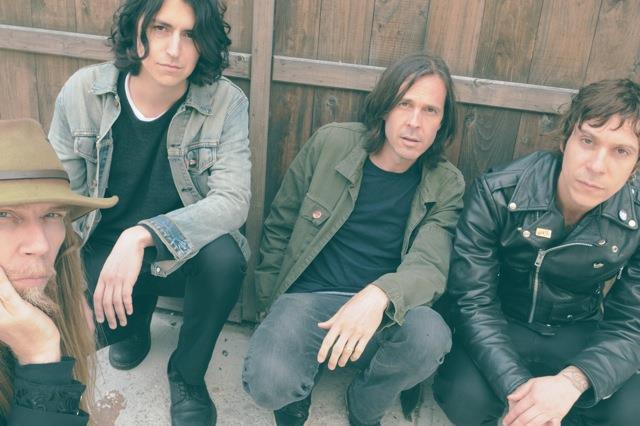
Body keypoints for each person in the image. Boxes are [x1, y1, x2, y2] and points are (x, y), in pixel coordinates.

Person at [48, 0, 250, 424]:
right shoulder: (84, 93)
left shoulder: (225, 102)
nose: (174, 49)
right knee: (68, 342)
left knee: (226, 259)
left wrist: (142, 235)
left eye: (190, 35)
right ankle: (134, 325)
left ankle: (187, 373)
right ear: (136, 28)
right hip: (103, 251)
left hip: (182, 250)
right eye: (161, 28)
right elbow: (59, 201)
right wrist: (63, 286)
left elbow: (233, 201)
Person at [242, 53, 465, 426]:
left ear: (442, 122)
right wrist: (271, 307)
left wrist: (379, 295)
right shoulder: (331, 143)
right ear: (384, 107)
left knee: (430, 336)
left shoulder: (446, 183)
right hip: (309, 300)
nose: (414, 123)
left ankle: (365, 403)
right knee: (268, 385)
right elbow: (280, 224)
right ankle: (299, 386)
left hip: (386, 311)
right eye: (404, 104)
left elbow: (430, 265)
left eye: (430, 110)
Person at [433, 78, 640, 426]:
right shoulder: (498, 192)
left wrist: (572, 383)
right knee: (464, 398)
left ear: (635, 165)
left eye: (621, 151)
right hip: (502, 323)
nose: (597, 165)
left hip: (578, 328)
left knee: (630, 411)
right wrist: (522, 394)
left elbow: (632, 323)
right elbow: (471, 300)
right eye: (588, 140)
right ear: (566, 139)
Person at [0, 118, 117, 425]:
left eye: (52, 214)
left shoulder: (58, 300)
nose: (40, 244)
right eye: (4, 214)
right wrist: (39, 359)